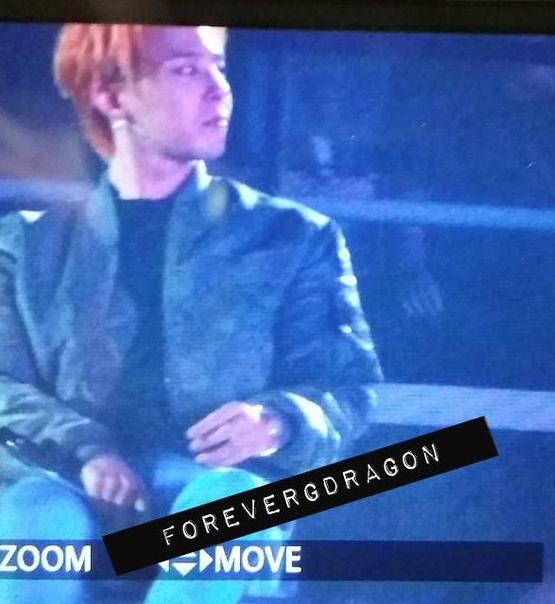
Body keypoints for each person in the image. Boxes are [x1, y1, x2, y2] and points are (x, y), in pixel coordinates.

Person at [0, 23, 382, 604]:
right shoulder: (25, 247)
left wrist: (279, 420)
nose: (219, 89)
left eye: (218, 68)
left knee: (227, 502)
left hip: (217, 488)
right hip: (67, 482)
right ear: (111, 95)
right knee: (36, 512)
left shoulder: (294, 237)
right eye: (185, 69)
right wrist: (90, 449)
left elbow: (347, 389)